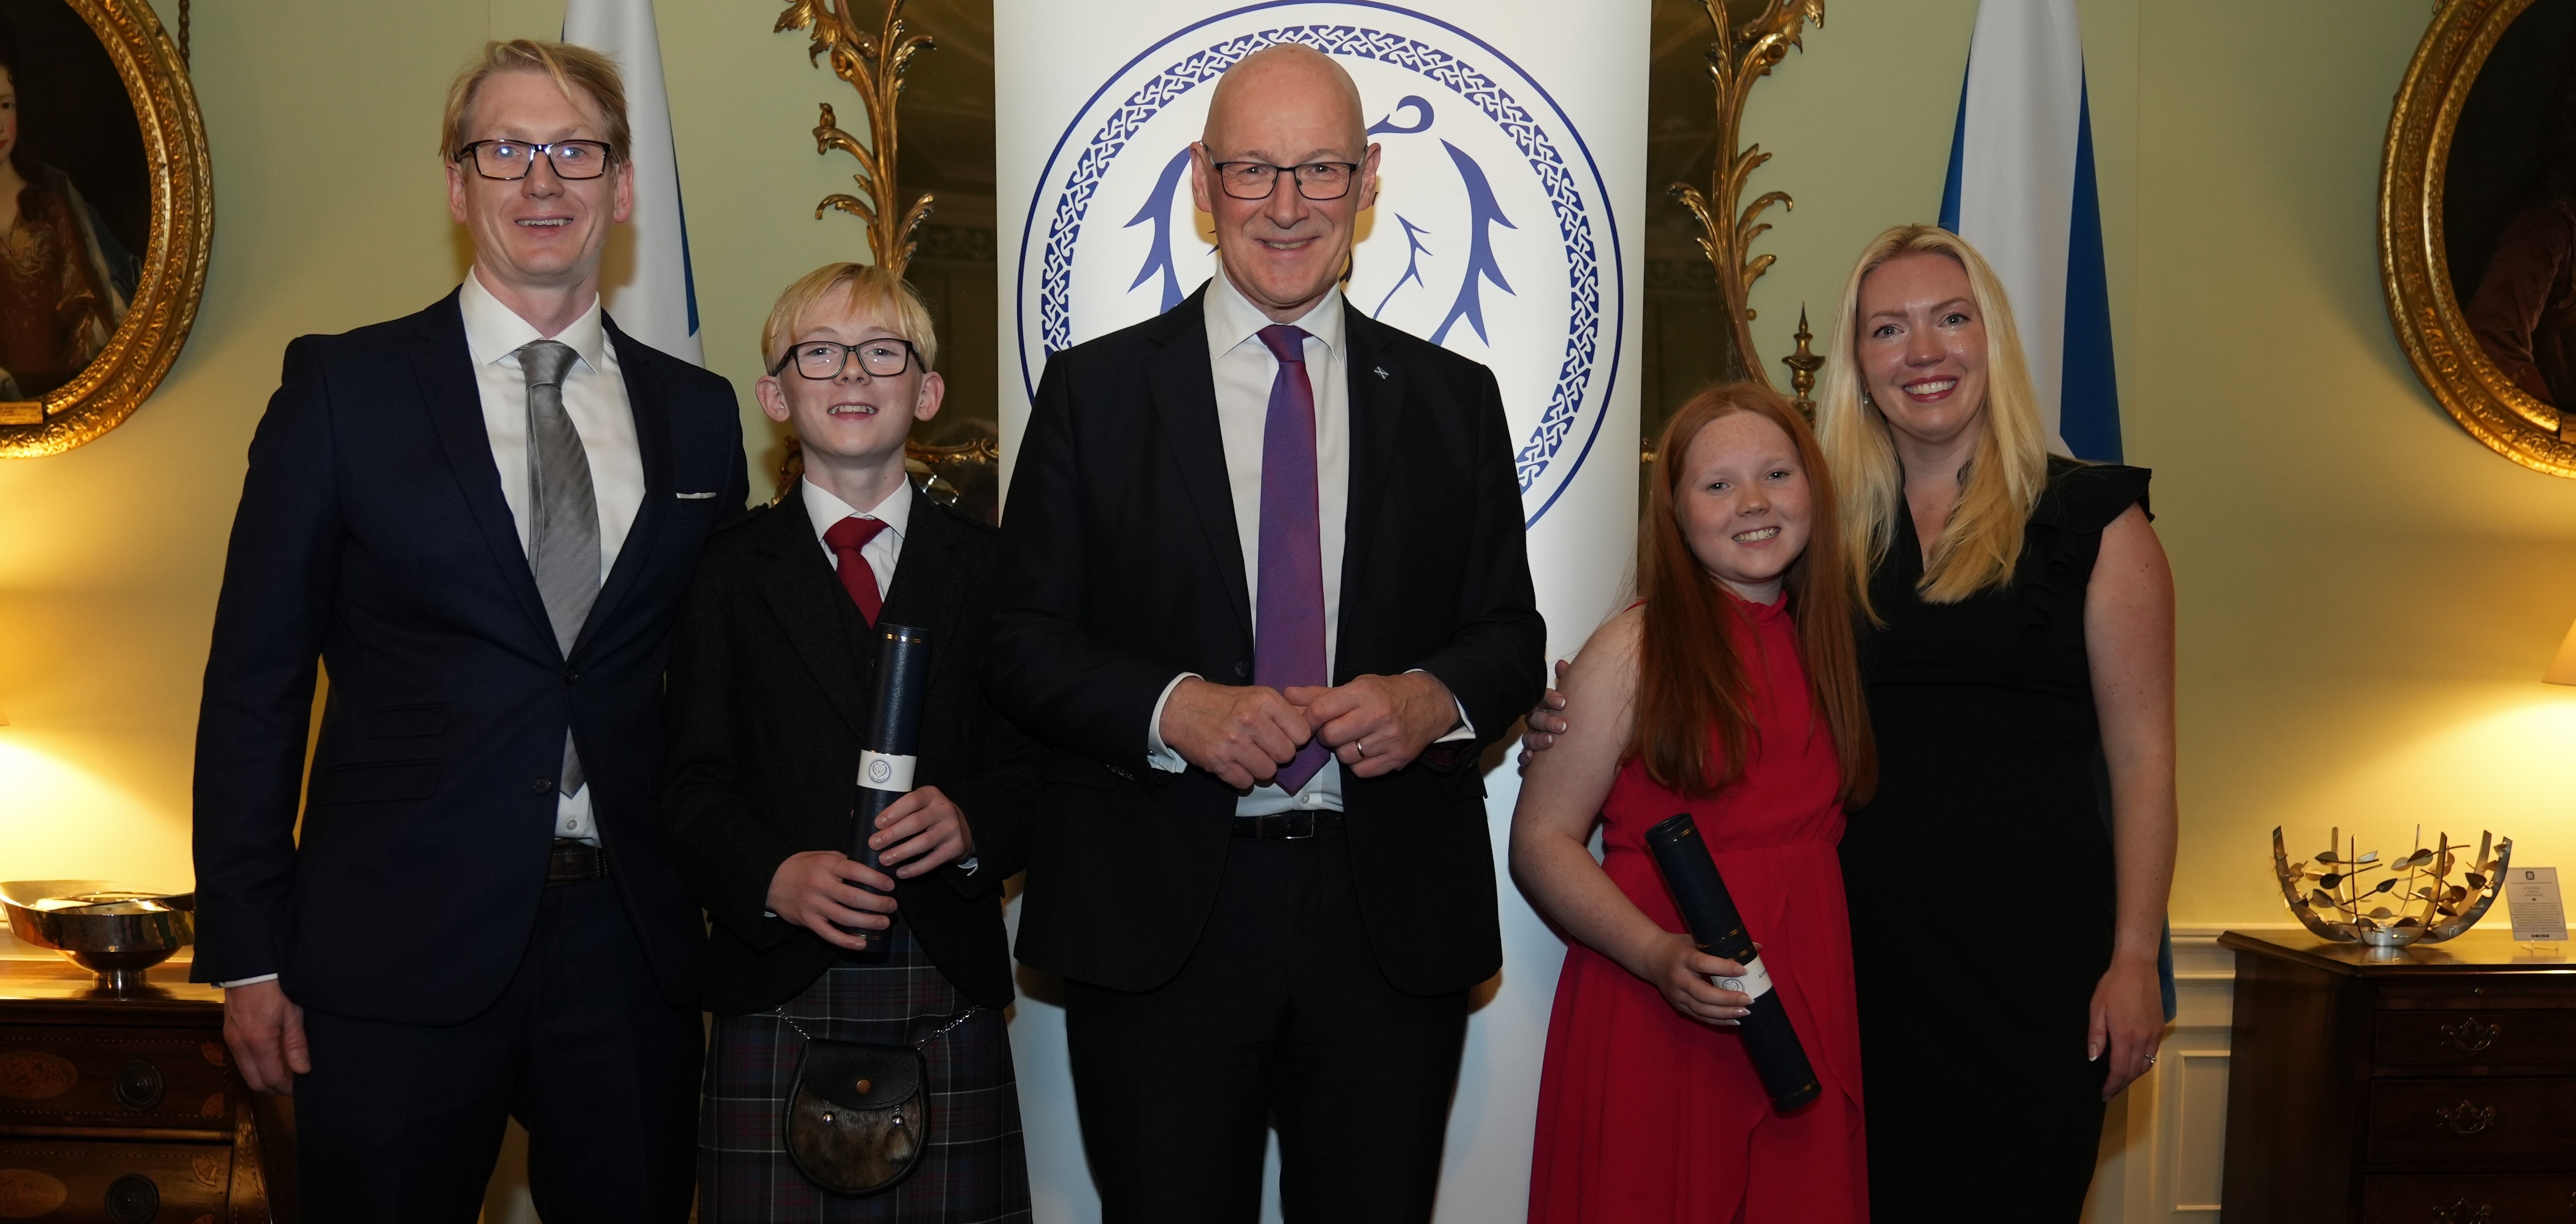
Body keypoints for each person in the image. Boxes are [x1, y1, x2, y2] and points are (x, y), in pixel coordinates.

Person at [987, 44, 1545, 1224]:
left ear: (1366, 179)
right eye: (1252, 170)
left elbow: (1507, 634)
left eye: (1318, 169)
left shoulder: (1454, 401)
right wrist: (1170, 709)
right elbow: (1021, 639)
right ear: (1202, 181)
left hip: (1384, 920)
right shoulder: (1092, 396)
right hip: (1159, 925)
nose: (1285, 207)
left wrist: (1428, 700)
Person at [191, 40, 746, 1222]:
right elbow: (255, 682)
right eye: (505, 150)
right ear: (457, 185)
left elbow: (716, 685)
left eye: (575, 152)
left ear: (622, 186)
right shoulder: (341, 394)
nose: (542, 182)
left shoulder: (698, 419)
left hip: (629, 947)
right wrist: (246, 951)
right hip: (391, 947)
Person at [666, 262, 1036, 1222]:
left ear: (928, 391)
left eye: (883, 352)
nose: (852, 375)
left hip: (942, 973)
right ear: (775, 396)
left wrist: (971, 819)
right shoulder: (725, 572)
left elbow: (1046, 769)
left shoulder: (996, 570)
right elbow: (687, 784)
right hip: (775, 976)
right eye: (818, 353)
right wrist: (770, 874)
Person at [1512, 382, 1873, 1224]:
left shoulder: (1832, 643)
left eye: (1776, 473)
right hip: (1657, 1006)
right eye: (1716, 484)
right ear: (1674, 513)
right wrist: (1653, 954)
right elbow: (1541, 839)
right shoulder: (1632, 647)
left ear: (1812, 489)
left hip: (1807, 1003)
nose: (1751, 502)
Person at [0, 20, 127, 400]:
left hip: (52, 401)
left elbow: (85, 308)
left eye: (5, 105)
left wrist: (64, 393)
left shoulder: (49, 209)